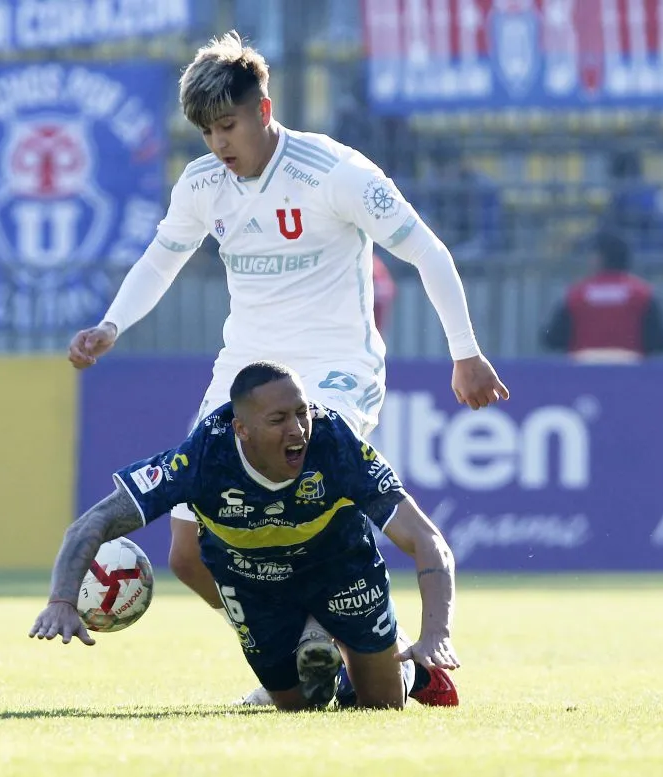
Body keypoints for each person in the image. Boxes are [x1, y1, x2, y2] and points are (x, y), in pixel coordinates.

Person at [67, 31, 508, 701]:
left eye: (228, 124)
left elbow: (428, 251)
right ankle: (304, 647)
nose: (218, 142)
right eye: (206, 131)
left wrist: (465, 352)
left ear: (264, 110)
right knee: (187, 554)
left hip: (335, 368)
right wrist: (111, 324)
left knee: (303, 505)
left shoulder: (334, 172)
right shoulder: (204, 184)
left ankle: (371, 654)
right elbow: (162, 258)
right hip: (243, 371)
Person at [30, 361, 461, 710]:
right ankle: (333, 661)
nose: (298, 429)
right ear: (242, 430)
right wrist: (62, 600)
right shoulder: (202, 458)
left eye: (301, 412)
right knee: (296, 707)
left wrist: (436, 634)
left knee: (382, 706)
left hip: (340, 570)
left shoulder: (335, 444)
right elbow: (93, 523)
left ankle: (406, 668)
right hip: (253, 585)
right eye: (279, 419)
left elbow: (428, 541)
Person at [540, 231, 663, 362]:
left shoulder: (577, 295)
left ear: (599, 258)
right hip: (630, 370)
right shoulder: (643, 294)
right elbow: (659, 342)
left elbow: (553, 339)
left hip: (583, 370)